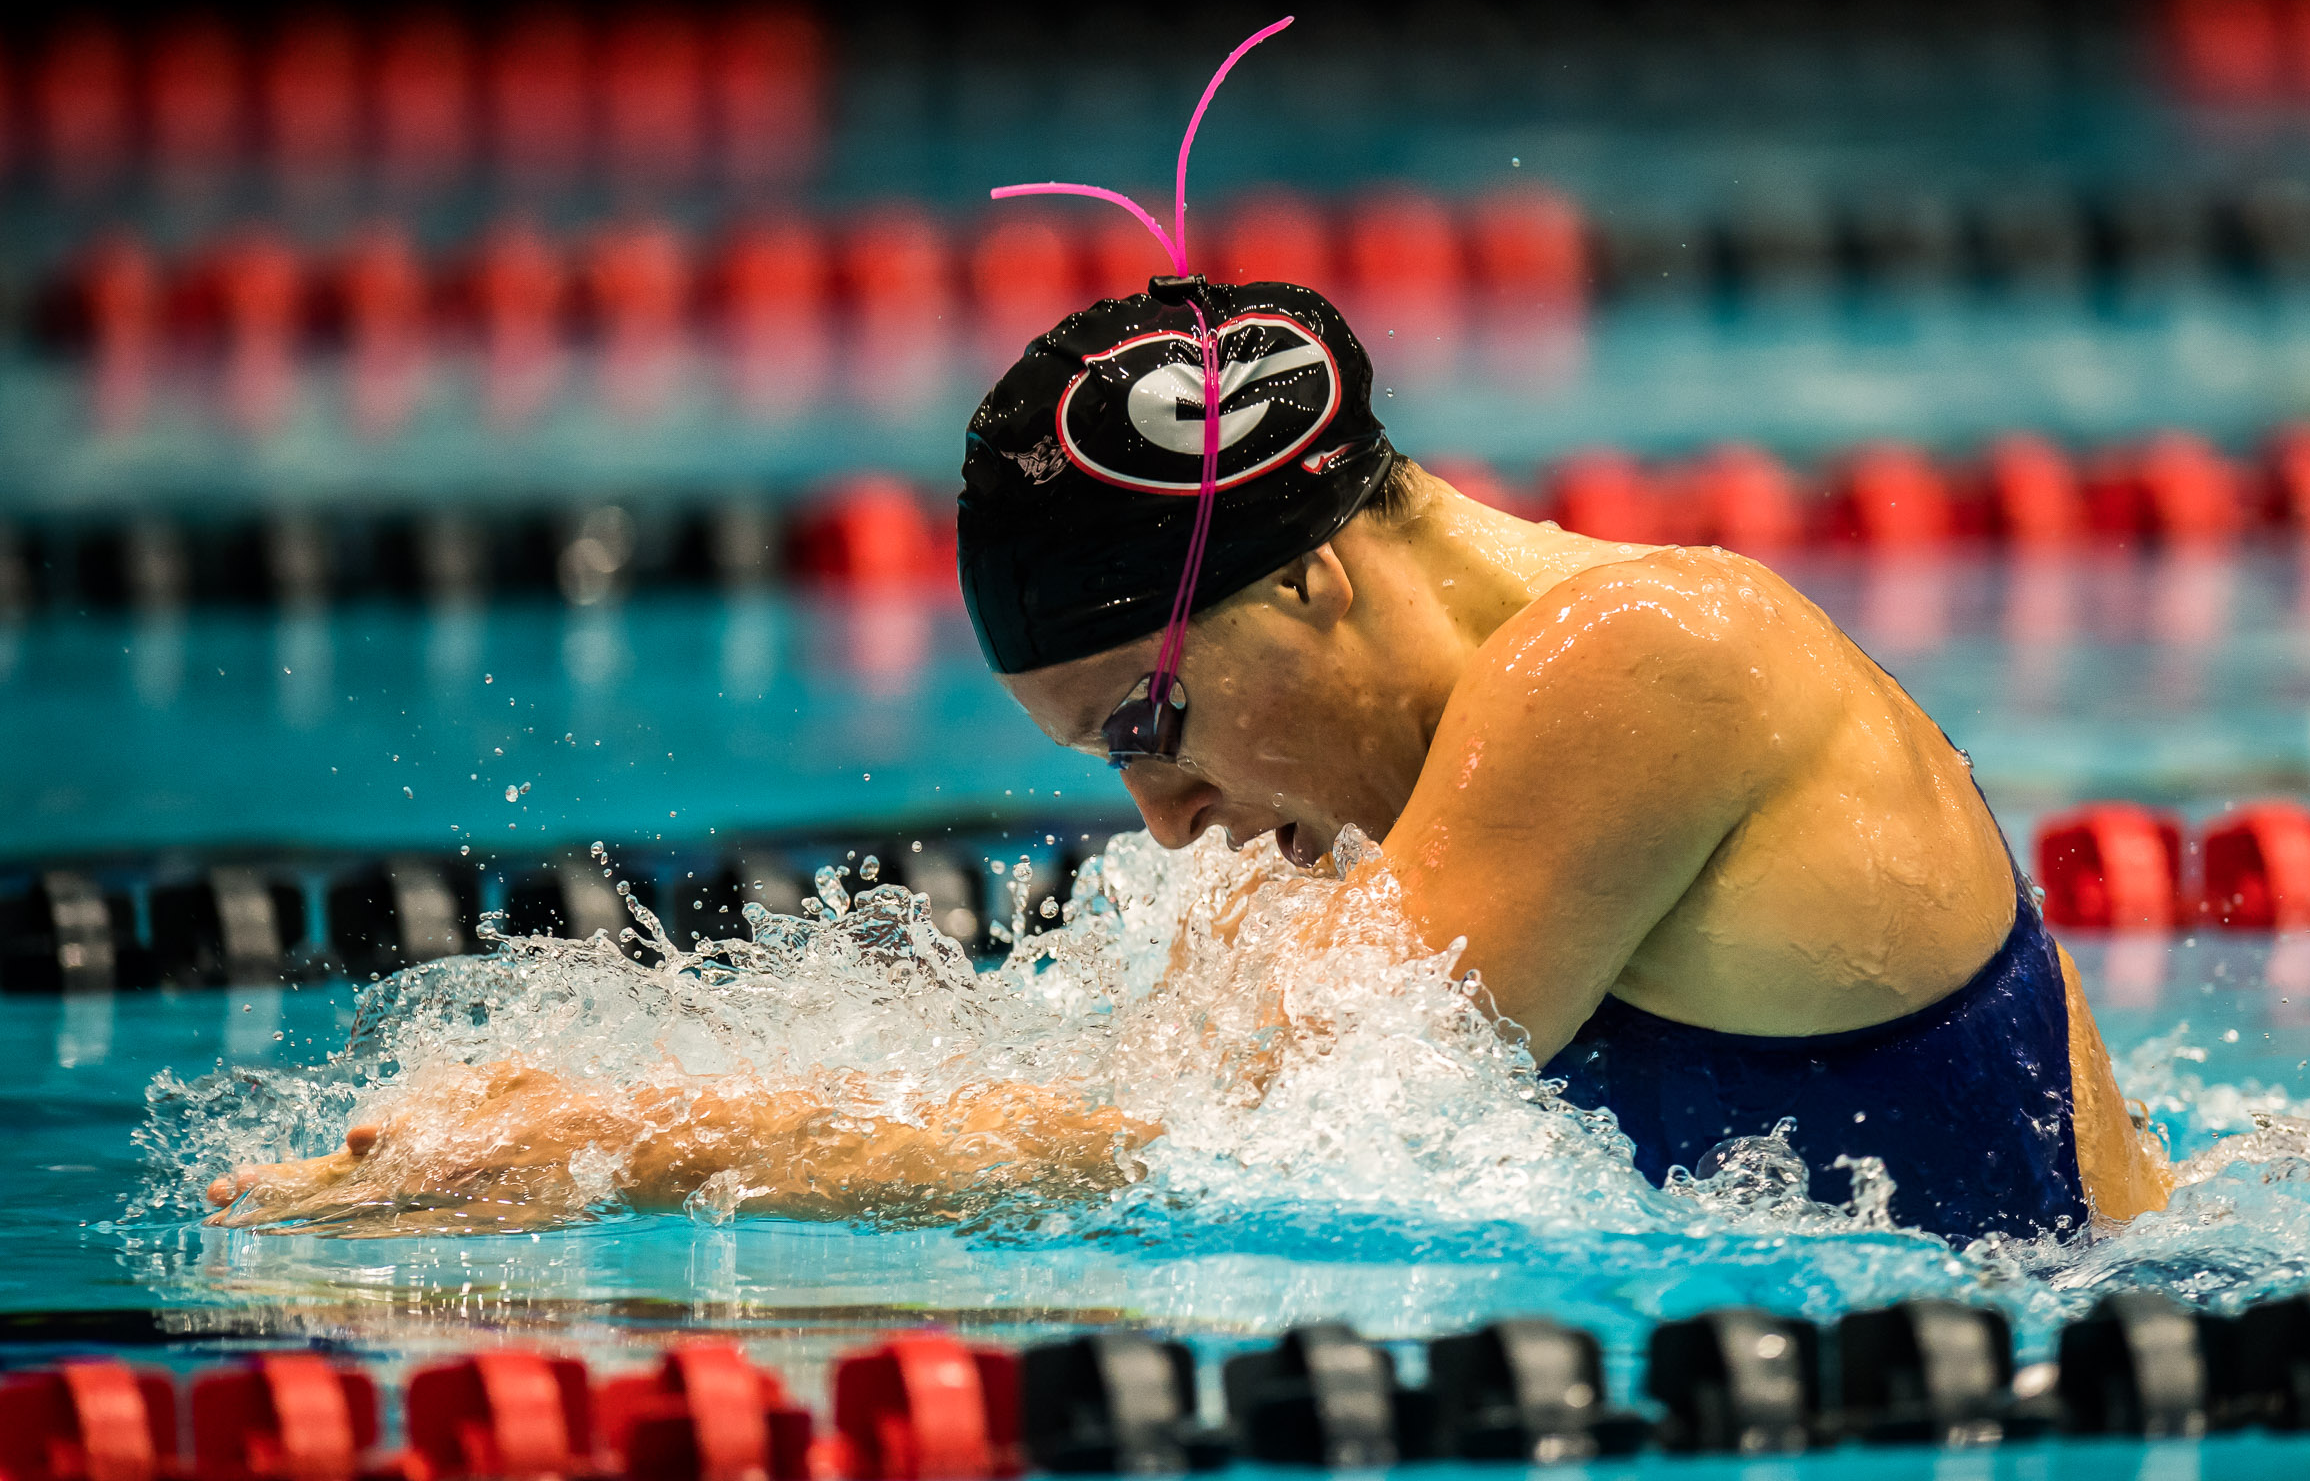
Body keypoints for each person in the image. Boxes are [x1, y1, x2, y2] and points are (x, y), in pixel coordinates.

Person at [209, 272, 2170, 1243]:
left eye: (1150, 718)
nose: (1163, 813)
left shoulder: (1652, 659)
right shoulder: (1434, 780)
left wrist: (649, 1145)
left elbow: (1237, 1149)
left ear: (1306, 586)